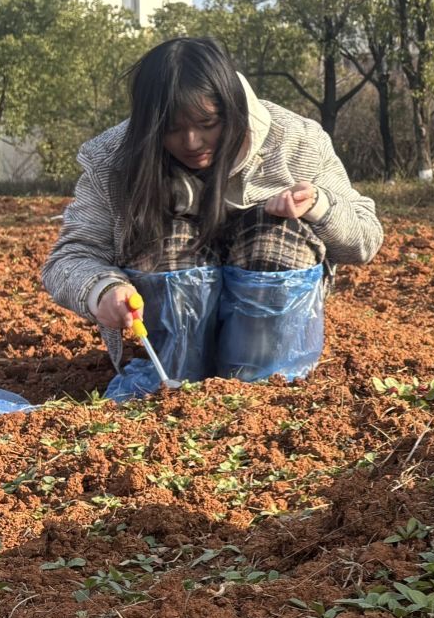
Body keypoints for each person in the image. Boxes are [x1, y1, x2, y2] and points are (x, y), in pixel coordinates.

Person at [43, 36, 382, 397]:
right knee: (165, 240)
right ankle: (175, 385)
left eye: (207, 123)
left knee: (276, 236)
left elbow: (366, 238)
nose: (192, 142)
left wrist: (319, 205)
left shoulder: (296, 142)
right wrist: (103, 290)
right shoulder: (114, 160)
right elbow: (70, 257)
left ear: (232, 107)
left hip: (268, 327)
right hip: (166, 353)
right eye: (171, 129)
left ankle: (266, 389)